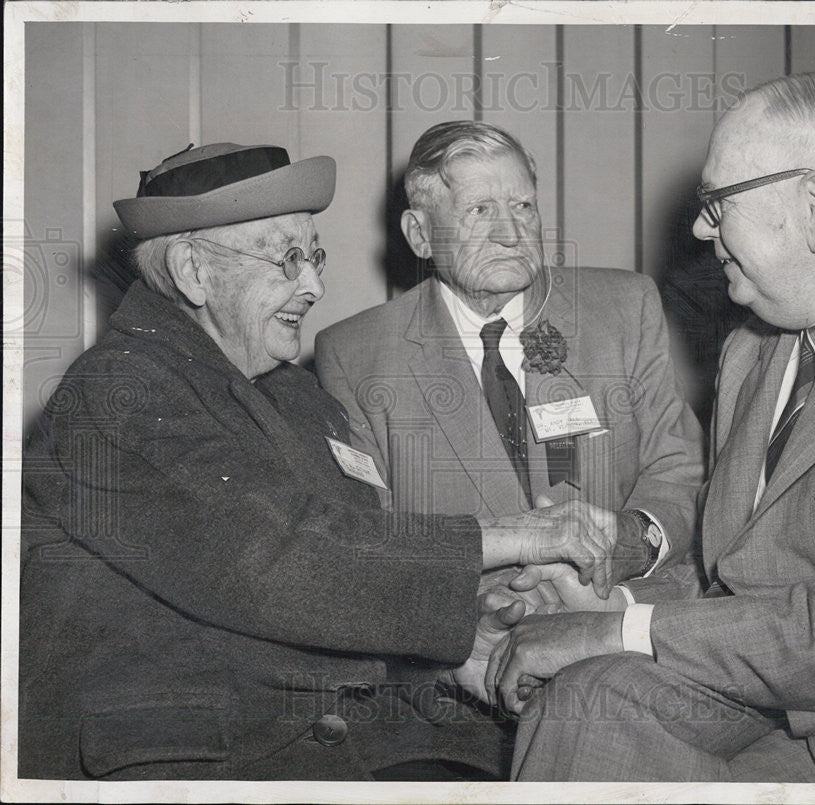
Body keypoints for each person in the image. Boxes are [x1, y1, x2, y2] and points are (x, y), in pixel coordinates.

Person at [18, 142, 624, 781]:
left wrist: (456, 653)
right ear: (192, 270)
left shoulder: (294, 392)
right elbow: (274, 561)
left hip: (339, 736)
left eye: (315, 257)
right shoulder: (118, 390)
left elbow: (342, 574)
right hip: (183, 757)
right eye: (286, 259)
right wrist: (514, 538)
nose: (314, 285)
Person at [485, 73, 815, 783]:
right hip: (768, 694)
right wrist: (612, 600)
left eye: (718, 204)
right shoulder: (755, 347)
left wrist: (616, 633)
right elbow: (735, 578)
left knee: (594, 707)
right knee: (583, 706)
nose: (698, 229)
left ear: (813, 208)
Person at [315, 121, 705, 587]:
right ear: (419, 234)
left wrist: (634, 541)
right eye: (479, 210)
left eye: (523, 206)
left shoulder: (624, 308)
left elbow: (678, 466)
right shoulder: (354, 355)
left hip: (615, 613)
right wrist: (473, 616)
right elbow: (375, 539)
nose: (509, 233)